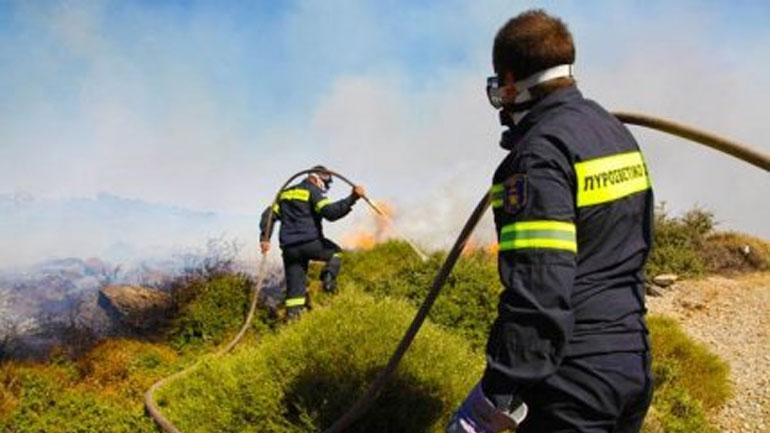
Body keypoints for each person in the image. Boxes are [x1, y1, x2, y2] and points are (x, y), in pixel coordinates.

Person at [448, 9, 654, 433]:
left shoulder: (537, 157)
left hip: (571, 382)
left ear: (510, 80)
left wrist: (497, 393)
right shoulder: (611, 131)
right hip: (631, 364)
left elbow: (540, 290)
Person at [260, 165, 365, 319]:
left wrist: (265, 238)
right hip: (311, 243)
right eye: (326, 182)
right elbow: (330, 213)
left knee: (295, 290)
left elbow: (268, 216)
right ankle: (328, 280)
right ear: (317, 178)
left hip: (289, 249)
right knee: (336, 253)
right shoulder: (312, 190)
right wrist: (352, 198)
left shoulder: (284, 193)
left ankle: (292, 321)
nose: (326, 186)